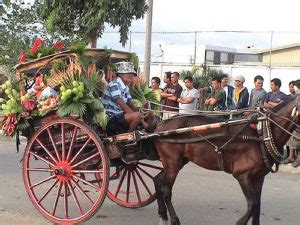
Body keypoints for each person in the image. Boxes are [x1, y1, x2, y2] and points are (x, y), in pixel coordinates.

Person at [102, 61, 147, 135]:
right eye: (128, 73)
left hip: (120, 115)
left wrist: (142, 114)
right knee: (137, 116)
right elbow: (124, 106)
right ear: (120, 74)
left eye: (132, 73)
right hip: (111, 118)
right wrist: (141, 121)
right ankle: (126, 137)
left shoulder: (125, 87)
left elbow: (130, 104)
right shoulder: (114, 85)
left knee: (147, 113)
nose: (131, 75)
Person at [284, 79, 300, 166]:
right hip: (295, 121)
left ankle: (299, 159)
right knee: (292, 138)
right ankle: (291, 156)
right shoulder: (296, 96)